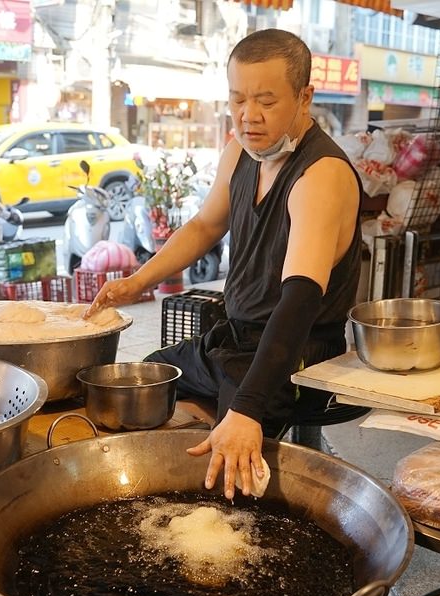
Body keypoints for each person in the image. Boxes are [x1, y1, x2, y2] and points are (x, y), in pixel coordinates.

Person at [86, 29, 362, 500]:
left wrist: (248, 410)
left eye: (266, 102)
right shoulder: (241, 153)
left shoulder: (321, 176)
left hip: (295, 356)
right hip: (233, 340)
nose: (248, 116)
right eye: (237, 100)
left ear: (304, 97)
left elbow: (299, 299)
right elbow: (203, 227)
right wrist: (137, 281)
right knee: (142, 388)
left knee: (225, 480)